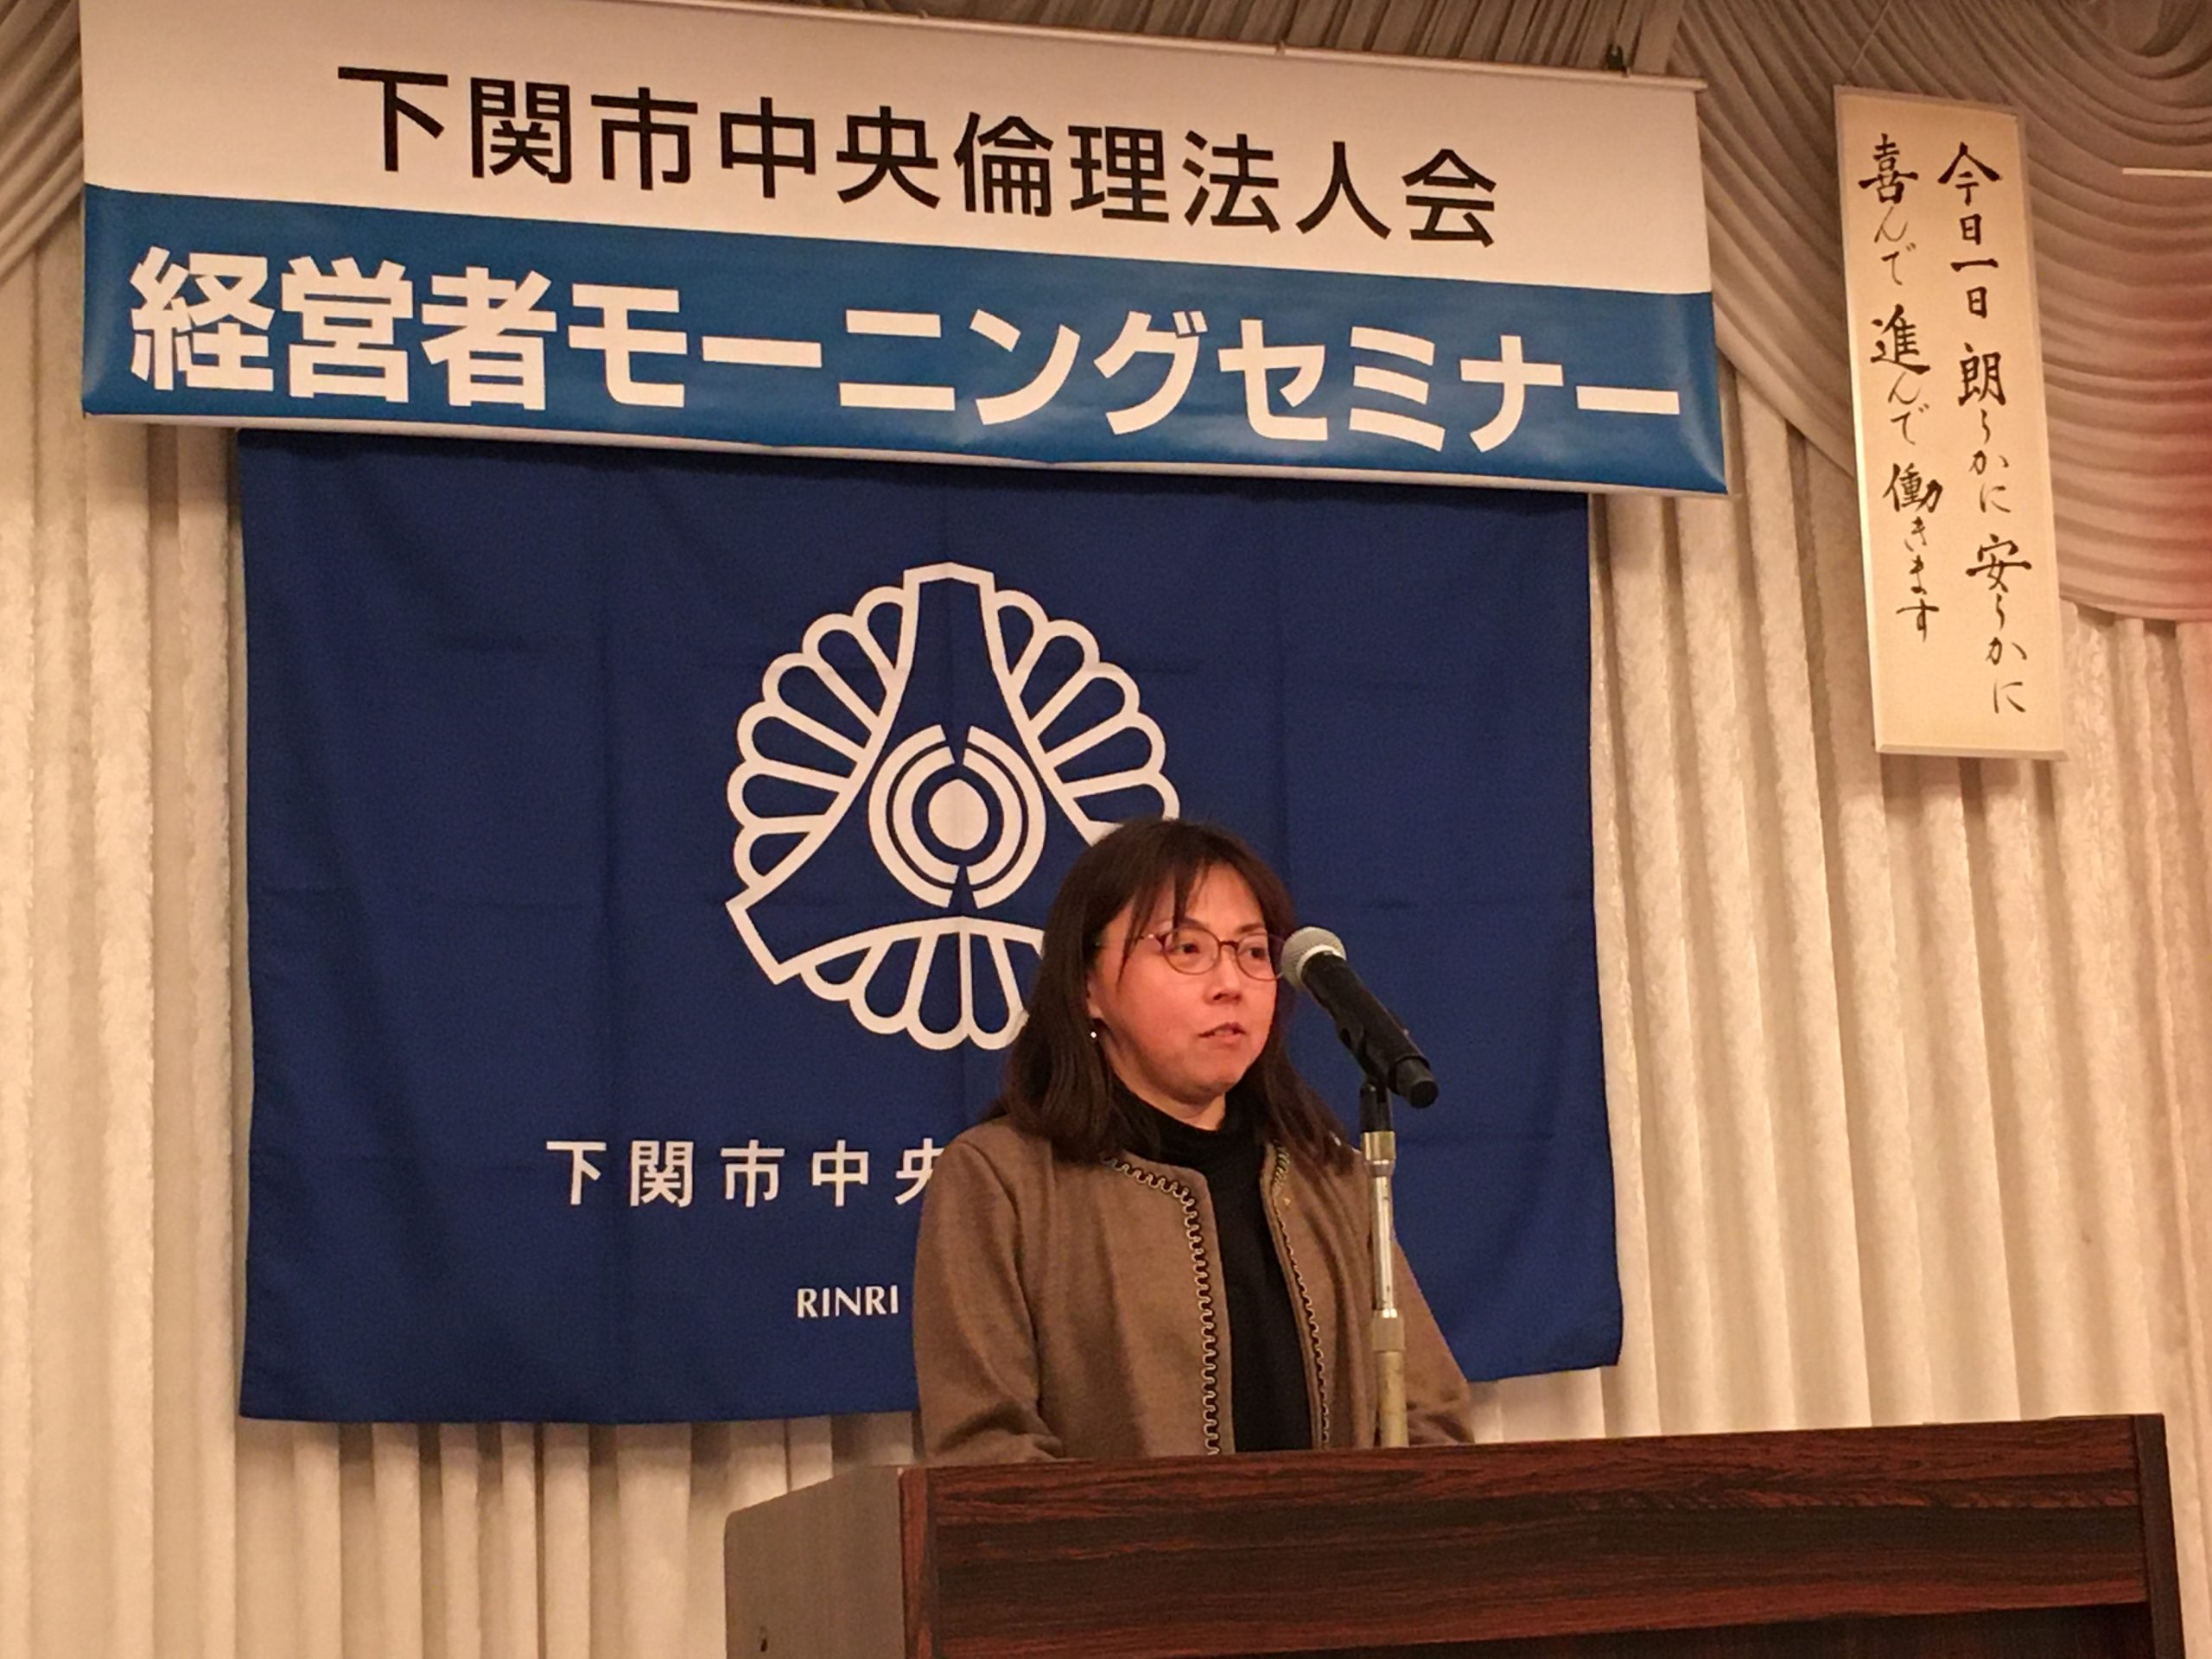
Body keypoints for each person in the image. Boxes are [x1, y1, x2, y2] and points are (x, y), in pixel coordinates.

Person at [912, 817, 1474, 1462]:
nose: (1229, 983)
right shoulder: (1000, 1181)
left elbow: (1431, 1421)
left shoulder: (1332, 1178)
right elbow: (986, 1449)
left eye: (1254, 952)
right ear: (1087, 984)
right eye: (1186, 948)